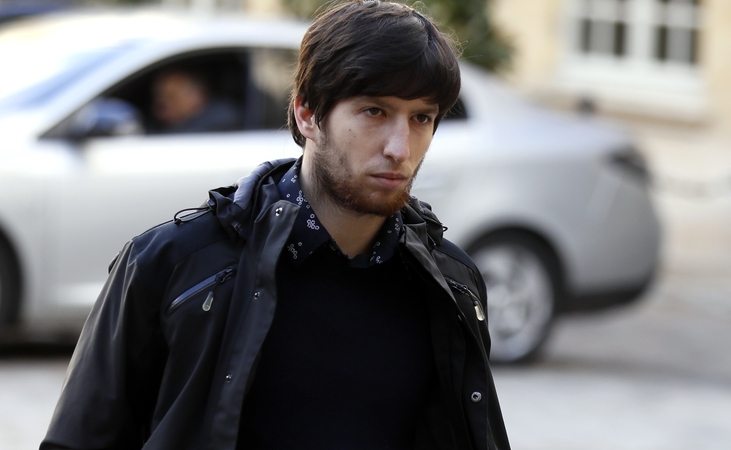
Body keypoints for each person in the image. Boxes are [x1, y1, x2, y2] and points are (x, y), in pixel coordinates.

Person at [41, 1, 510, 449]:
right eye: (374, 111)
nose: (399, 148)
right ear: (308, 113)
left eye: (421, 118)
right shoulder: (174, 265)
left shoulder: (451, 286)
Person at [149, 67, 241, 133]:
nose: (160, 104)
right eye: (158, 97)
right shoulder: (183, 122)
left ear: (196, 97)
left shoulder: (220, 121)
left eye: (171, 97)